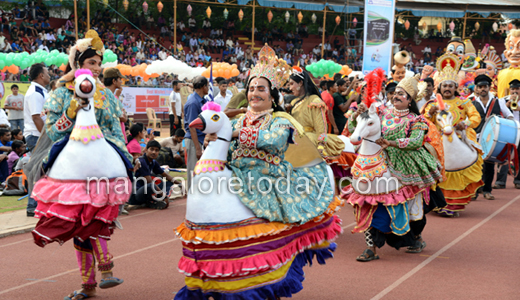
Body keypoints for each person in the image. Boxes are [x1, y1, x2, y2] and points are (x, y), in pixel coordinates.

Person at [175, 45, 342, 299]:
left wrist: (231, 133)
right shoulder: (239, 119)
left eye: (261, 88)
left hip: (269, 179)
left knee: (267, 235)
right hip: (237, 175)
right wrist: (216, 144)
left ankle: (264, 273)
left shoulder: (280, 120)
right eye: (251, 88)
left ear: (272, 95)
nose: (254, 93)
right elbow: (228, 153)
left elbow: (274, 140)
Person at [29, 30, 133, 300]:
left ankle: (99, 275)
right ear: (78, 64)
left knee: (94, 219)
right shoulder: (61, 92)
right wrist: (71, 111)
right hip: (71, 161)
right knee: (80, 225)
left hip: (102, 160)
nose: (97, 69)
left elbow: (114, 129)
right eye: (92, 63)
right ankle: (89, 284)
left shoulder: (106, 96)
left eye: (99, 64)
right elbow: (53, 131)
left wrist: (119, 153)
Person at [343, 75, 443, 261]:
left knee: (414, 204)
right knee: (368, 201)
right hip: (380, 158)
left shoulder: (416, 120)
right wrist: (359, 114)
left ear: (410, 100)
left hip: (407, 162)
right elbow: (357, 125)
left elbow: (416, 141)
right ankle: (371, 247)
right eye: (395, 93)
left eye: (401, 94)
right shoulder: (382, 112)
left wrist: (392, 142)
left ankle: (415, 235)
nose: (396, 96)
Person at [423, 53, 483, 216]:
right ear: (439, 88)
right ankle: (437, 202)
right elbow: (423, 121)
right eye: (444, 86)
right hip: (438, 140)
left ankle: (454, 204)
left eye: (450, 85)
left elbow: (476, 117)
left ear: (455, 87)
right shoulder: (433, 104)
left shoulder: (464, 102)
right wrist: (430, 114)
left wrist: (466, 124)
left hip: (460, 137)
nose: (447, 88)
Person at [287, 67, 355, 179]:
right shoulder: (294, 102)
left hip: (310, 139)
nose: (290, 88)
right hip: (296, 138)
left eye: (291, 84)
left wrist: (321, 144)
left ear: (300, 83)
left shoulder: (314, 100)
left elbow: (321, 126)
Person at [471, 74, 514, 200]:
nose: (482, 89)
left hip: (491, 139)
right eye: (480, 87)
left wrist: (508, 129)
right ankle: (474, 191)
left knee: (489, 165)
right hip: (476, 138)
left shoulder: (498, 101)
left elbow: (509, 116)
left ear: (489, 87)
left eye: (485, 86)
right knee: (474, 165)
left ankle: (487, 190)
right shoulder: (471, 102)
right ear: (476, 89)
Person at [127, 140, 177, 210]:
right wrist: (164, 196)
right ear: (146, 150)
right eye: (152, 149)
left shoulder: (153, 162)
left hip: (146, 191)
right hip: (136, 195)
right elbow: (149, 182)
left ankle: (153, 200)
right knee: (152, 185)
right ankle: (151, 201)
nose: (154, 152)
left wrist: (180, 184)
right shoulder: (142, 161)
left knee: (167, 182)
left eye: (156, 150)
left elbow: (166, 175)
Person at [184, 76, 208, 188]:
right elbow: (192, 127)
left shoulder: (204, 101)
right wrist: (198, 149)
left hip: (201, 139)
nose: (208, 88)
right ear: (203, 87)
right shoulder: (193, 103)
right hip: (195, 140)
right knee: (193, 169)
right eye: (207, 86)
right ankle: (191, 195)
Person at [495, 79, 520, 189]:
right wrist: (507, 105)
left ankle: (518, 180)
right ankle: (500, 181)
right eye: (513, 89)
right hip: (508, 131)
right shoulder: (502, 100)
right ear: (509, 90)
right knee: (504, 156)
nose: (515, 91)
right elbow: (498, 114)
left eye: (517, 89)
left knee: (519, 156)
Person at [24, 63, 49, 151]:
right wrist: (46, 137)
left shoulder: (41, 91)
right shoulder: (35, 92)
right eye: (47, 73)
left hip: (38, 135)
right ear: (41, 75)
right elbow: (36, 117)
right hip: (36, 136)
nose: (49, 76)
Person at [103, 67, 128, 142]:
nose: (121, 82)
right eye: (120, 79)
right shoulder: (109, 96)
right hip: (114, 136)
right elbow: (124, 118)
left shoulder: (105, 94)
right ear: (114, 81)